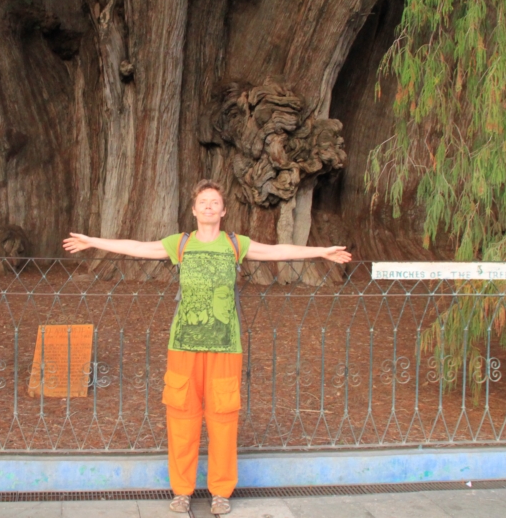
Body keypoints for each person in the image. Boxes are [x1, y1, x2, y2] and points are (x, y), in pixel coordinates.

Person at [63, 179, 352, 515]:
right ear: (194, 209)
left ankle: (220, 492)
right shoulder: (180, 243)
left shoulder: (235, 244)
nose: (209, 207)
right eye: (203, 202)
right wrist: (92, 241)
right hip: (183, 346)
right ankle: (182, 491)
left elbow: (276, 251)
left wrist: (321, 252)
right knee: (181, 420)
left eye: (215, 202)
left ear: (224, 210)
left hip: (225, 347)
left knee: (223, 421)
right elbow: (138, 247)